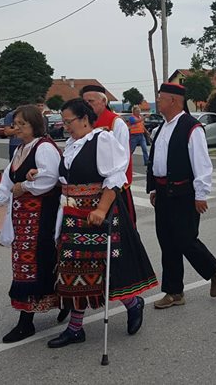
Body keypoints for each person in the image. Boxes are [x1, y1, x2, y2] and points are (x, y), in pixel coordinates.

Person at [47, 98, 157, 349]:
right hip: (73, 216)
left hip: (97, 213)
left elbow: (115, 176)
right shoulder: (72, 146)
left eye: (68, 121)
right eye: (63, 122)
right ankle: (75, 329)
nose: (65, 127)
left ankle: (133, 303)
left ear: (84, 119)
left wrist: (101, 209)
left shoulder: (102, 140)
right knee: (75, 269)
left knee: (104, 268)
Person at [0, 105, 67, 343]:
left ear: (35, 125)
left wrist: (25, 186)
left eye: (23, 124)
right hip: (23, 218)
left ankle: (27, 321)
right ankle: (61, 303)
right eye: (16, 123)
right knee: (24, 263)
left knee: (35, 263)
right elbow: (7, 179)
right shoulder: (21, 149)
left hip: (41, 217)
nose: (17, 128)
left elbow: (49, 178)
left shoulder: (44, 148)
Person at [147, 83, 216, 309]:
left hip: (184, 193)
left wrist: (201, 194)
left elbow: (201, 163)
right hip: (164, 192)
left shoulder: (192, 128)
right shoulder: (161, 128)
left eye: (161, 98)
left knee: (185, 239)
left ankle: (215, 269)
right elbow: (157, 161)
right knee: (167, 242)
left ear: (173, 100)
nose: (158, 101)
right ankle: (174, 292)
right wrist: (154, 189)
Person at [81, 85, 135, 223]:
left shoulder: (116, 123)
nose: (87, 105)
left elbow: (122, 161)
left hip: (113, 188)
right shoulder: (84, 123)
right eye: (84, 102)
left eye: (91, 101)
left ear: (104, 101)